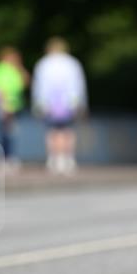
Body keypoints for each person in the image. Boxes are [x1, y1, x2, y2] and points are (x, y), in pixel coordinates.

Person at [32, 37, 88, 173]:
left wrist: (38, 103)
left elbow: (39, 86)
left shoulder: (43, 63)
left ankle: (54, 159)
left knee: (52, 132)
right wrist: (82, 103)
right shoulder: (72, 63)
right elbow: (79, 85)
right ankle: (68, 159)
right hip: (69, 103)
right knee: (67, 131)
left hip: (49, 103)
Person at [0, 46, 30, 165]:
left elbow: (26, 82)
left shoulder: (16, 69)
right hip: (4, 106)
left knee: (12, 132)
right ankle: (4, 156)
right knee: (4, 132)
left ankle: (10, 156)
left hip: (15, 106)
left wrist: (20, 67)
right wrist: (3, 104)